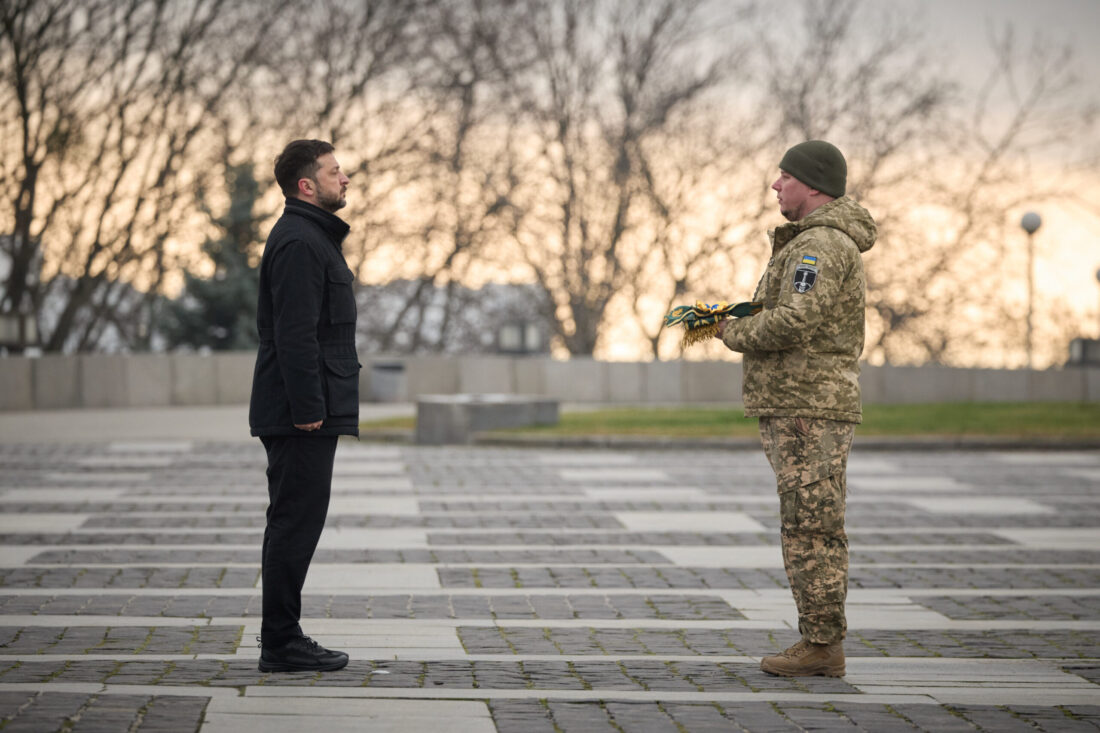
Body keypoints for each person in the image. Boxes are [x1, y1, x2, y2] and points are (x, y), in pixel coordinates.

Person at [716, 140, 876, 677]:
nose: (775, 185)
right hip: (802, 402)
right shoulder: (812, 241)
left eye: (785, 176)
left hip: (810, 406)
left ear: (812, 186)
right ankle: (820, 640)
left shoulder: (820, 246)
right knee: (807, 522)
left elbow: (795, 320)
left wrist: (731, 331)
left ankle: (822, 644)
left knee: (811, 526)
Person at [248, 139, 359, 673]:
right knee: (294, 523)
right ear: (306, 185)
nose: (346, 178)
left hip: (308, 407)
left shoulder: (312, 237)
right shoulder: (299, 241)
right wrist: (308, 407)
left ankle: (282, 638)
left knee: (295, 522)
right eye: (335, 172)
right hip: (302, 413)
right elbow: (294, 333)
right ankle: (280, 642)